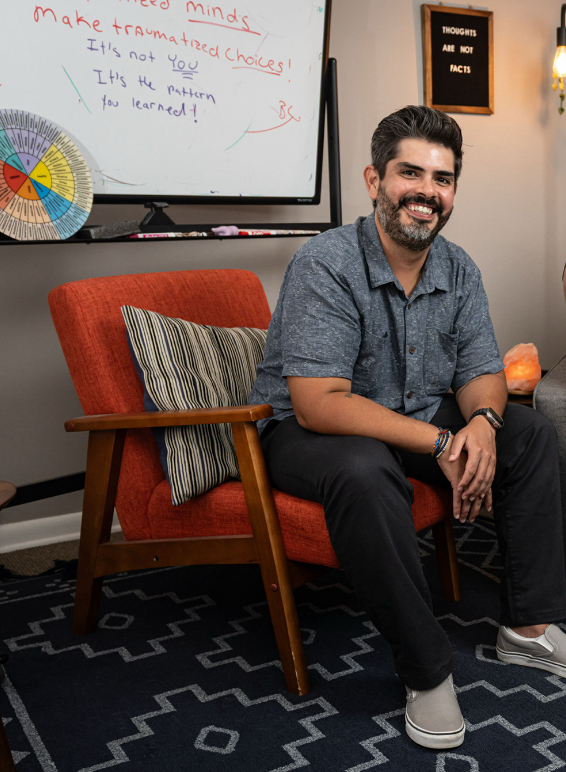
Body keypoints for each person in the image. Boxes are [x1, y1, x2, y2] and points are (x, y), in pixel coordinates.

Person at [249, 105, 566, 750]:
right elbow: (318, 403)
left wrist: (480, 421)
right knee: (366, 471)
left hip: (417, 415)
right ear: (374, 180)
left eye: (442, 179)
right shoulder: (326, 263)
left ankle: (527, 631)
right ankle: (426, 671)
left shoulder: (458, 267)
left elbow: (482, 367)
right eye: (409, 173)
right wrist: (444, 443)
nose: (427, 191)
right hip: (313, 434)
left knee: (529, 437)